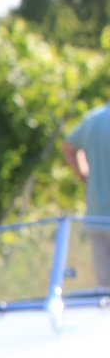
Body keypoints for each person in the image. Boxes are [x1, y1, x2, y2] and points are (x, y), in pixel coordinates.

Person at [61, 102, 110, 284]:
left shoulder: (93, 119)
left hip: (96, 216)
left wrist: (84, 176)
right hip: (97, 217)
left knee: (105, 289)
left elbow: (68, 147)